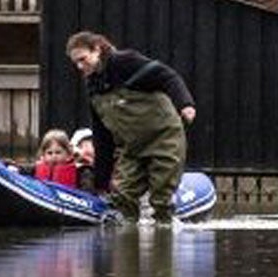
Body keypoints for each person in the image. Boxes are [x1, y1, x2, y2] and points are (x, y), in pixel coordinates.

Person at [65, 30, 196, 224]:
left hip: (164, 139)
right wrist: (101, 181)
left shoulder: (125, 62)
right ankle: (128, 243)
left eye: (83, 59)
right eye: (76, 62)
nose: (79, 66)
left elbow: (168, 76)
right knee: (123, 199)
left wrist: (185, 103)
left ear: (97, 50)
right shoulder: (92, 86)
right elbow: (102, 136)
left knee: (161, 198)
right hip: (131, 149)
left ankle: (164, 236)